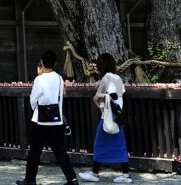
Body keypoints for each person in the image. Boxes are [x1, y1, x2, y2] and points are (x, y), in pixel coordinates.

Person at [17, 50, 78, 185]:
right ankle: (72, 179)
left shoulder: (39, 79)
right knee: (60, 151)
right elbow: (61, 97)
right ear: (55, 63)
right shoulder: (59, 78)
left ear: (42, 63)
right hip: (56, 119)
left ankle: (30, 179)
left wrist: (35, 108)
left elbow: (33, 99)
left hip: (40, 121)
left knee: (34, 152)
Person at [79, 53, 131, 183]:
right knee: (121, 145)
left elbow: (99, 97)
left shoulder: (105, 79)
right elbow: (122, 96)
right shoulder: (118, 78)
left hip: (107, 117)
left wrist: (100, 101)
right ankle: (125, 175)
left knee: (99, 144)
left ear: (101, 66)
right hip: (118, 117)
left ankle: (95, 174)